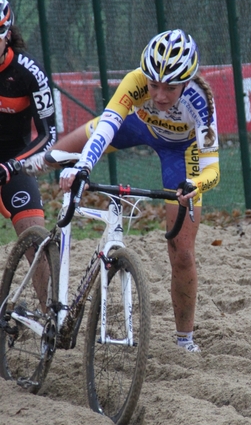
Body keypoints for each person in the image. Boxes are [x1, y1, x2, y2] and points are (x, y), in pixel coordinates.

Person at [25, 29, 220, 353]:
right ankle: (20, 171)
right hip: (135, 125)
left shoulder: (200, 102)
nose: (159, 95)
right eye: (153, 84)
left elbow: (213, 171)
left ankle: (185, 339)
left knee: (182, 251)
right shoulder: (135, 81)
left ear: (186, 82)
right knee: (57, 155)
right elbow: (105, 129)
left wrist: (194, 186)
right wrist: (82, 167)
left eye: (169, 87)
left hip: (182, 152)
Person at [0, 0, 56, 238]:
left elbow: (48, 134)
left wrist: (14, 164)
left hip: (13, 157)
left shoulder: (29, 72)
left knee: (37, 242)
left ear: (7, 35)